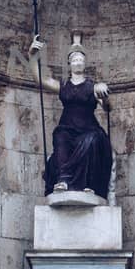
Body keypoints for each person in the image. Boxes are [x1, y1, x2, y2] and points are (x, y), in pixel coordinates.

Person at [28, 33, 112, 198]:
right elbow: (40, 80)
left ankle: (90, 184)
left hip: (89, 128)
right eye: (74, 60)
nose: (78, 62)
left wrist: (105, 95)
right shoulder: (63, 86)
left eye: (80, 59)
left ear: (85, 63)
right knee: (60, 136)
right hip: (67, 127)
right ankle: (63, 181)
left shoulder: (93, 87)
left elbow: (108, 109)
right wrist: (32, 56)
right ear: (69, 64)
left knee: (93, 140)